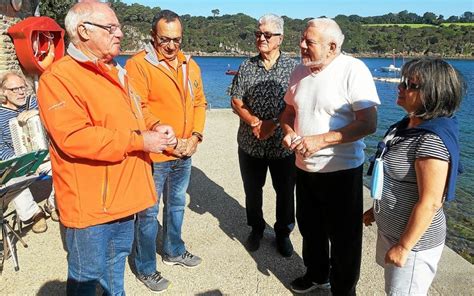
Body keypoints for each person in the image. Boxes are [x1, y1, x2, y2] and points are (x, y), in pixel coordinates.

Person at [37, 2, 177, 295]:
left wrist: (156, 125)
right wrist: (140, 141)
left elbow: (137, 110)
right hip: (91, 206)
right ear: (83, 31)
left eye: (119, 27)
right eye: (111, 28)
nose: (120, 34)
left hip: (125, 198)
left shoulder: (116, 70)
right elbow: (75, 137)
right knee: (86, 277)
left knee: (116, 267)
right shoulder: (59, 78)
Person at [280, 18, 380, 295]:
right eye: (302, 39)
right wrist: (288, 131)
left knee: (345, 238)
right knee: (310, 229)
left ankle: (344, 290)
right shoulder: (299, 70)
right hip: (304, 167)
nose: (301, 45)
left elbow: (368, 123)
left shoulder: (353, 70)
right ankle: (316, 275)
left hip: (342, 171)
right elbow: (288, 112)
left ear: (332, 47)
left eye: (308, 42)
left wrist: (320, 141)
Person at [363, 58, 465, 295]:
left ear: (433, 94)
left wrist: (404, 246)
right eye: (402, 81)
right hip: (394, 232)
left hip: (414, 245)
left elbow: (430, 202)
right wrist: (377, 211)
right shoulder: (407, 126)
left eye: (409, 84)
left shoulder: (431, 140)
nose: (400, 87)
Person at [125, 9, 207, 293]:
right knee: (147, 214)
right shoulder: (139, 65)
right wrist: (160, 129)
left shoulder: (189, 64)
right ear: (152, 37)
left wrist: (195, 137)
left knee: (176, 205)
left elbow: (199, 102)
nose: (172, 46)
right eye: (165, 40)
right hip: (156, 154)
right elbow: (139, 107)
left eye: (177, 40)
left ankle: (174, 249)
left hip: (184, 152)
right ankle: (145, 267)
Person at [229, 14, 297, 257]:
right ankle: (256, 228)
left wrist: (273, 124)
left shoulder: (294, 68)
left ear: (280, 38)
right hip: (250, 144)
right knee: (253, 189)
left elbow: (298, 105)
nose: (261, 38)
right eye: (258, 34)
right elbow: (236, 99)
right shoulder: (247, 66)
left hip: (283, 145)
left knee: (286, 192)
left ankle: (283, 233)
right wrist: (255, 122)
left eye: (267, 35)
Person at [0, 72, 58, 233]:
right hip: (19, 162)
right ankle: (34, 213)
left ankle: (53, 204)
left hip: (45, 156)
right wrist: (27, 162)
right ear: (3, 91)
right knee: (10, 177)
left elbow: (58, 115)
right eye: (14, 89)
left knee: (66, 168)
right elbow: (1, 149)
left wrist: (40, 113)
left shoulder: (34, 102)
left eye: (22, 87)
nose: (20, 92)